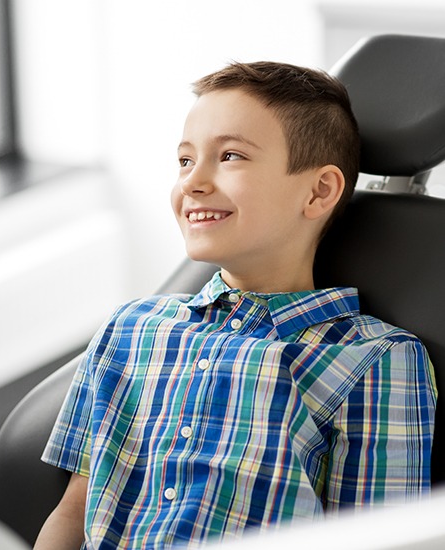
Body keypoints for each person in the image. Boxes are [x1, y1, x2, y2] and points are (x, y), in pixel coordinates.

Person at [34, 61, 437, 550]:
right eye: (185, 161)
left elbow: (383, 540)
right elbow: (75, 511)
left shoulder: (374, 358)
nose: (193, 182)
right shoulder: (132, 329)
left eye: (229, 156)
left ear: (319, 190)